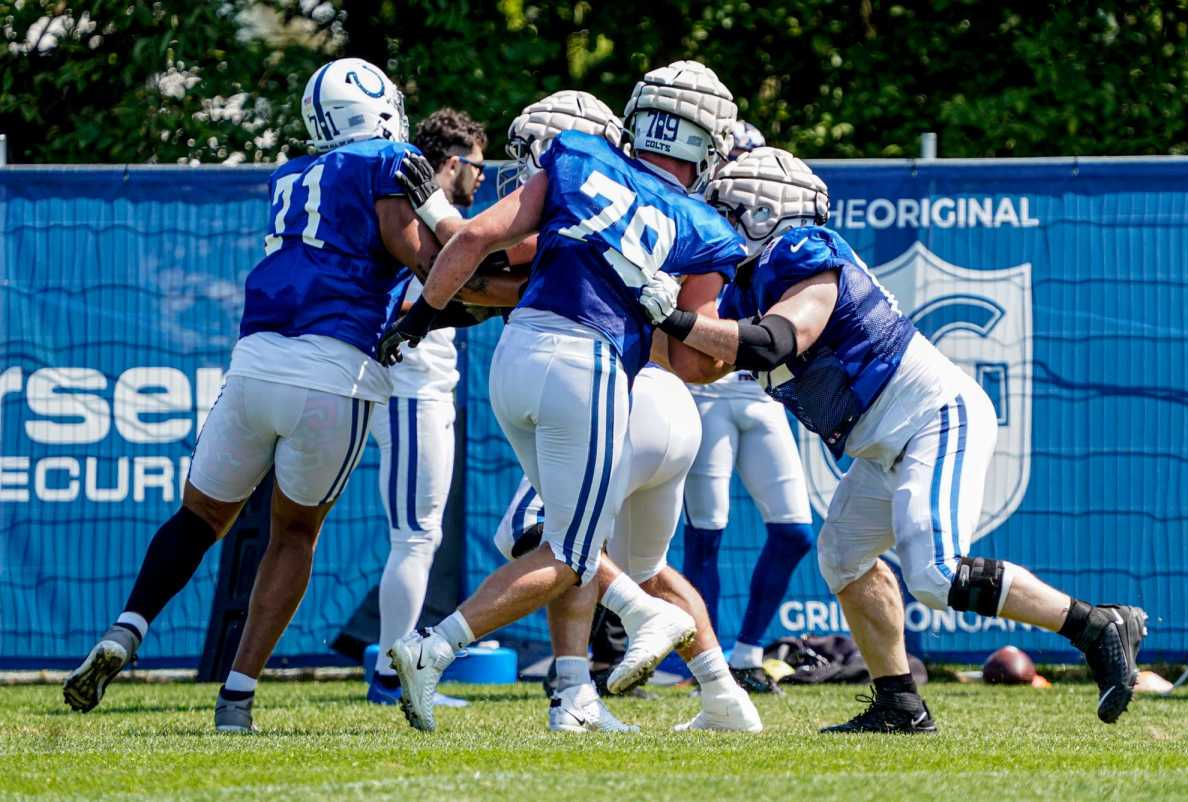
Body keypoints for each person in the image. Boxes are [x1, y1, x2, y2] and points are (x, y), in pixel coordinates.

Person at [61, 58, 520, 733]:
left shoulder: (289, 174)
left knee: (198, 518)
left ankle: (127, 628)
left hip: (253, 363)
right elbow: (420, 257)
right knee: (295, 534)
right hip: (333, 370)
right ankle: (238, 696)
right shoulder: (390, 158)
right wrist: (503, 281)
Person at [642, 146, 1149, 733]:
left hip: (934, 418)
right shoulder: (750, 281)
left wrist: (674, 317)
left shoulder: (805, 253)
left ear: (758, 213)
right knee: (842, 558)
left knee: (935, 574)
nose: (711, 224)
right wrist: (636, 315)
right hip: (883, 445)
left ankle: (1096, 625)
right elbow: (698, 363)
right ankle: (899, 704)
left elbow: (777, 341)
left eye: (722, 211)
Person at [378, 61, 749, 733]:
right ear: (707, 142)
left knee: (565, 543)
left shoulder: (580, 158)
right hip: (599, 371)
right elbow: (696, 362)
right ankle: (431, 651)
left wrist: (418, 317)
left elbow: (479, 242)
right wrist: (693, 325)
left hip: (518, 360)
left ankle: (588, 680)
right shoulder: (703, 226)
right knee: (570, 552)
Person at [680, 120, 817, 695]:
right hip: (706, 394)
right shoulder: (698, 221)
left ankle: (746, 652)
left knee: (795, 532)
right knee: (706, 533)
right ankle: (706, 665)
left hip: (759, 393)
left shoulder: (781, 240)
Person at [365, 108, 489, 709]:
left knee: (417, 536)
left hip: (420, 385)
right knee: (414, 536)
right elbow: (466, 265)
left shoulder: (428, 218)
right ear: (450, 164)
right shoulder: (425, 220)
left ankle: (396, 668)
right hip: (410, 385)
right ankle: (393, 677)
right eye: (476, 166)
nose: (483, 178)